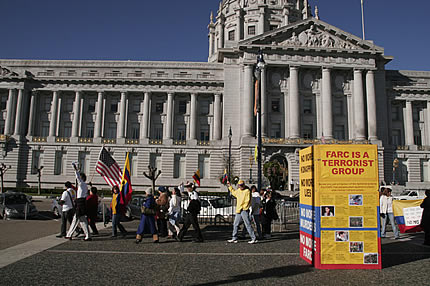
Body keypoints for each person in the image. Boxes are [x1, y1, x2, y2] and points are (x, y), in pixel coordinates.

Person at [65, 163, 91, 241]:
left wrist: (75, 170)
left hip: (80, 203)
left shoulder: (82, 184)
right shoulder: (84, 185)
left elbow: (78, 177)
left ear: (82, 178)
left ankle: (87, 236)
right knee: (75, 220)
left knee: (82, 221)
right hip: (80, 202)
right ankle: (69, 234)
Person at [227, 180, 257, 244]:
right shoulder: (238, 191)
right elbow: (233, 192)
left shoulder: (247, 191)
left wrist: (244, 207)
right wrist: (229, 186)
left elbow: (247, 200)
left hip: (244, 210)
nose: (241, 186)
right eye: (240, 185)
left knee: (247, 224)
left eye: (242, 185)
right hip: (239, 210)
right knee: (235, 224)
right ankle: (234, 238)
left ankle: (253, 238)